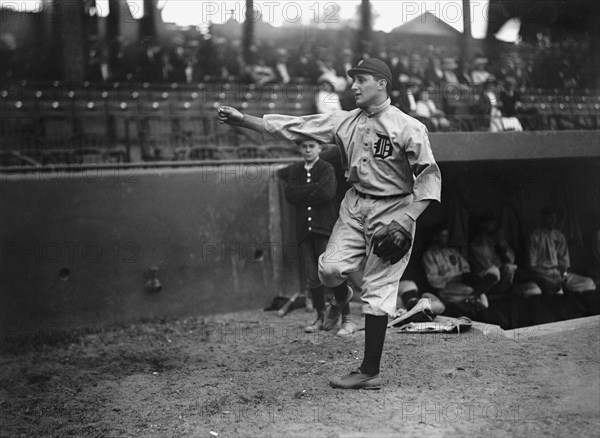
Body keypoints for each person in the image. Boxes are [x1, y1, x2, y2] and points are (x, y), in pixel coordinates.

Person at [217, 58, 442, 390]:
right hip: (355, 204)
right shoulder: (343, 121)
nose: (352, 86)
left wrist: (406, 220)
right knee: (329, 270)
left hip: (395, 210)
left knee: (378, 293)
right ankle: (341, 297)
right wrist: (244, 120)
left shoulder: (409, 126)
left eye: (360, 79)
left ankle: (369, 371)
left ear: (381, 83)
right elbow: (297, 126)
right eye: (352, 80)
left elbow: (429, 177)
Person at [279, 140, 354, 336]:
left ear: (320, 148)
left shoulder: (326, 167)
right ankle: (321, 317)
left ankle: (347, 318)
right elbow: (290, 194)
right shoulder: (295, 170)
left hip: (324, 227)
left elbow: (327, 193)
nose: (307, 149)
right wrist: (314, 188)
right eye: (304, 146)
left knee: (333, 273)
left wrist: (304, 192)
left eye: (311, 145)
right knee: (313, 277)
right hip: (304, 230)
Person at [470, 212, 542, 325]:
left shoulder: (497, 240)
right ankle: (539, 278)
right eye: (489, 223)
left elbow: (511, 258)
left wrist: (501, 245)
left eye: (494, 223)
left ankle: (534, 322)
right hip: (489, 284)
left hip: (507, 280)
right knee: (509, 269)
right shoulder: (477, 244)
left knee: (534, 289)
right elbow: (491, 268)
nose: (493, 226)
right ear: (483, 225)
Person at [527, 206, 597, 315]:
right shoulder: (535, 236)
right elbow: (532, 266)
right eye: (549, 217)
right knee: (555, 289)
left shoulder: (559, 236)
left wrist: (563, 274)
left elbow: (564, 262)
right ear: (543, 218)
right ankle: (558, 317)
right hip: (542, 274)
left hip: (559, 274)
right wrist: (547, 276)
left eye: (554, 218)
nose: (552, 220)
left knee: (588, 282)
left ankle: (588, 314)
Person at [422, 225, 492, 316]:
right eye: (443, 236)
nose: (446, 239)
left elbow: (465, 268)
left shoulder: (453, 252)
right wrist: (452, 278)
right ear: (436, 237)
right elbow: (433, 279)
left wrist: (464, 276)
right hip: (445, 288)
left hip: (461, 285)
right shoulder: (430, 254)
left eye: (447, 236)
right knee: (472, 295)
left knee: (481, 297)